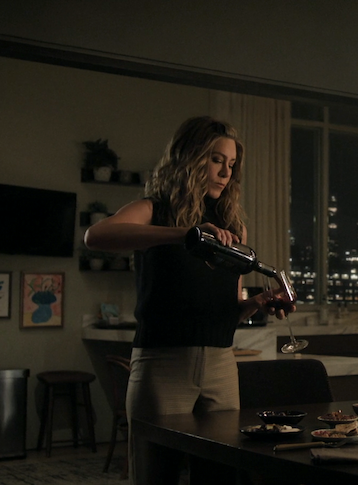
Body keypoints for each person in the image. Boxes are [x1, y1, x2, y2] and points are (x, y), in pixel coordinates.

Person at [84, 116, 295, 484]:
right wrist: (186, 234)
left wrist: (257, 303)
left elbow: (230, 308)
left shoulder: (233, 225)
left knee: (222, 475)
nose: (225, 172)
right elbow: (95, 236)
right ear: (191, 157)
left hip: (221, 366)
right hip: (162, 364)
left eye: (231, 165)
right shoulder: (155, 209)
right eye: (216, 160)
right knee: (155, 473)